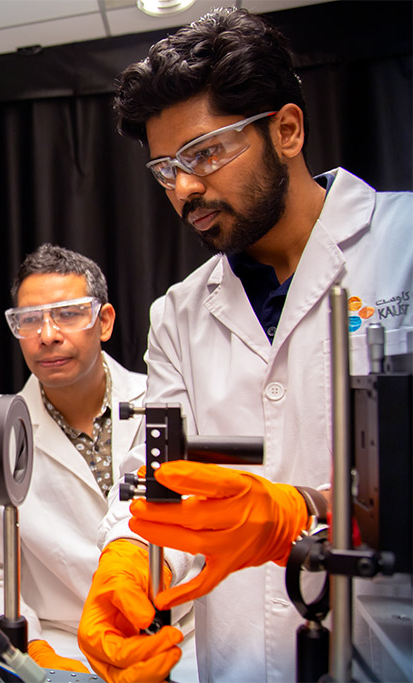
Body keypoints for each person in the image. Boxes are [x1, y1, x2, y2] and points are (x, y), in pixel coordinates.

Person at [77, 8, 412, 683]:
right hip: (234, 663)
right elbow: (160, 476)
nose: (185, 188)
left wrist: (307, 512)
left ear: (286, 129)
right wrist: (126, 554)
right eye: (167, 168)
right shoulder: (177, 312)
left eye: (204, 154)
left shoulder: (402, 245)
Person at [0, 245, 197, 675]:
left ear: (104, 322)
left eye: (67, 314)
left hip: (184, 634)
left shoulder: (166, 405)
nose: (47, 335)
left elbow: (198, 521)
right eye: (29, 320)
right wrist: (37, 654)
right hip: (66, 648)